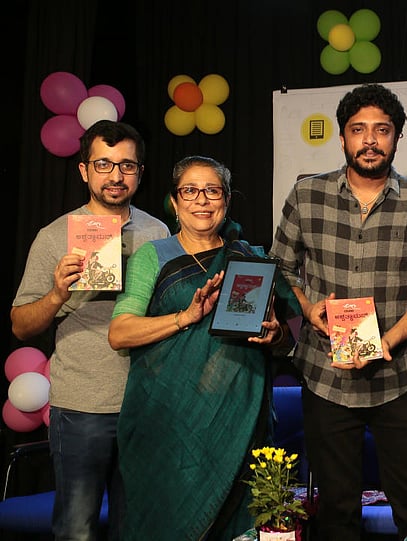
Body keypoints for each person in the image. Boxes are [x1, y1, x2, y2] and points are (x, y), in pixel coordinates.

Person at [269, 83, 407, 541]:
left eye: (381, 130)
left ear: (396, 137)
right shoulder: (307, 195)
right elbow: (280, 268)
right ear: (342, 137)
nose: (370, 140)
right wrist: (308, 309)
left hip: (398, 376)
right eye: (358, 130)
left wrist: (387, 341)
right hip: (325, 377)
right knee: (336, 514)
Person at [108, 156, 300, 539]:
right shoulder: (154, 255)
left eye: (212, 191)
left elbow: (291, 335)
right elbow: (120, 332)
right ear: (175, 202)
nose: (202, 200)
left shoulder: (251, 259)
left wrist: (276, 335)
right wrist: (186, 316)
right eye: (190, 191)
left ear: (226, 200)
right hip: (166, 426)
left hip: (239, 425)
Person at [10, 120, 169, 540]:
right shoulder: (54, 236)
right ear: (84, 170)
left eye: (127, 166)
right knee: (76, 529)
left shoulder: (158, 232)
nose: (116, 176)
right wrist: (57, 294)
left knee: (135, 528)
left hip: (143, 403)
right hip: (81, 406)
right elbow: (21, 326)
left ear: (139, 173)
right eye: (104, 164)